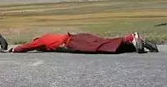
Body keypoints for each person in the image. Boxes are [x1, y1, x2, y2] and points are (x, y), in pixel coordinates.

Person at [11, 32, 159, 54]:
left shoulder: (41, 41)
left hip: (71, 42)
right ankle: (134, 42)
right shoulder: (51, 35)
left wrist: (14, 50)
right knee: (103, 42)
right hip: (78, 36)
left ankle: (129, 38)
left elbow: (27, 46)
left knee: (97, 48)